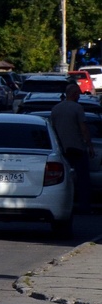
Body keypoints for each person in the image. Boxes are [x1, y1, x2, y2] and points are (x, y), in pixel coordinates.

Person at [48, 83, 93, 215]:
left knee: (64, 179)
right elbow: (83, 128)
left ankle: (66, 204)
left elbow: (53, 128)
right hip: (78, 148)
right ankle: (84, 207)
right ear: (74, 95)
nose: (79, 96)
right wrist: (89, 145)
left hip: (62, 149)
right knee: (83, 179)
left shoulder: (56, 109)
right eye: (78, 93)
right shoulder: (78, 108)